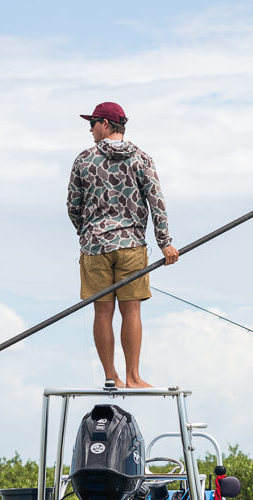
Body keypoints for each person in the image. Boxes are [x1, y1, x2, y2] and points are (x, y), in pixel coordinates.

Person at [67, 101, 179, 388]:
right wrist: (164, 242)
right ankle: (133, 377)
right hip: (131, 245)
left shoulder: (84, 160)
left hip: (94, 247)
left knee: (102, 312)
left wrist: (87, 233)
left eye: (92, 123)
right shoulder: (141, 158)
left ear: (106, 124)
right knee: (132, 311)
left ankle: (110, 376)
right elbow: (156, 201)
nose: (90, 129)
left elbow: (73, 206)